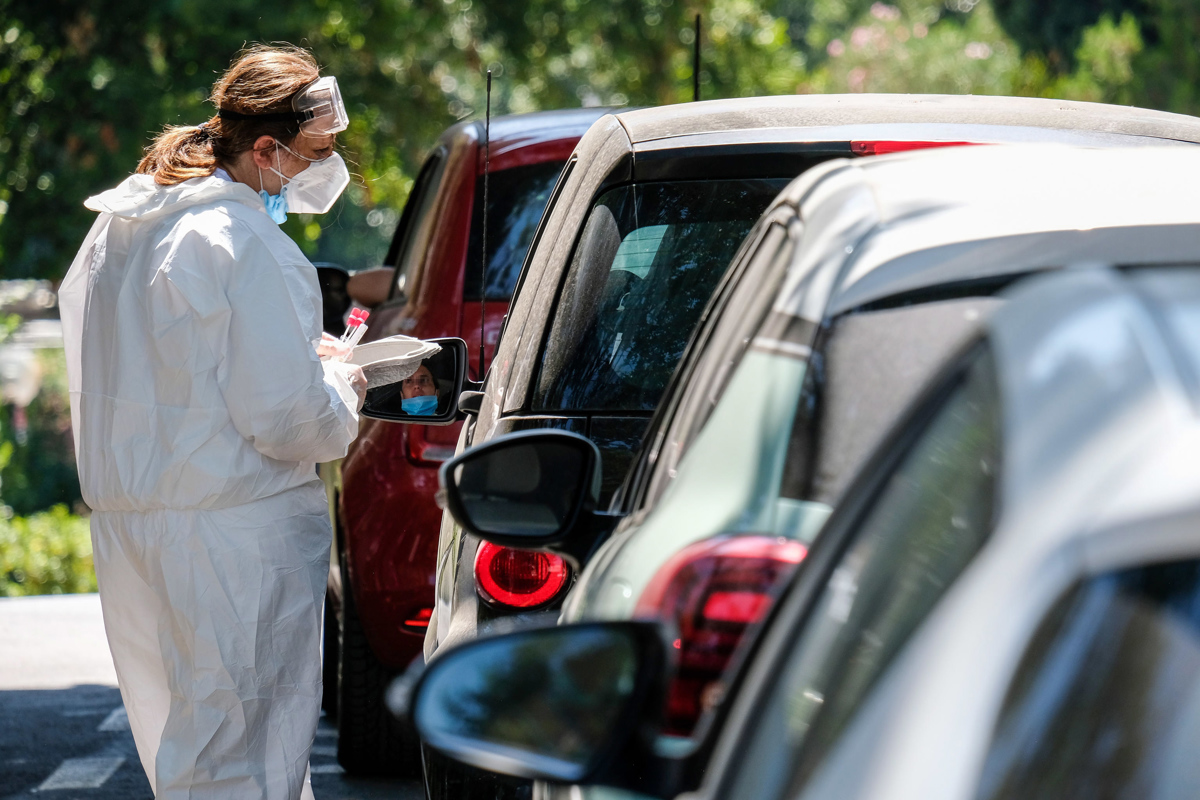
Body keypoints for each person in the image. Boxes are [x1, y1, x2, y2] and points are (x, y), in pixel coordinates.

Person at [58, 45, 366, 800]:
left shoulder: (124, 225)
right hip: (235, 534)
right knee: (240, 758)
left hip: (139, 523)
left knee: (189, 751)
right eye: (314, 153)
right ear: (265, 148)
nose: (321, 169)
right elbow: (290, 423)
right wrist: (342, 382)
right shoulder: (247, 244)